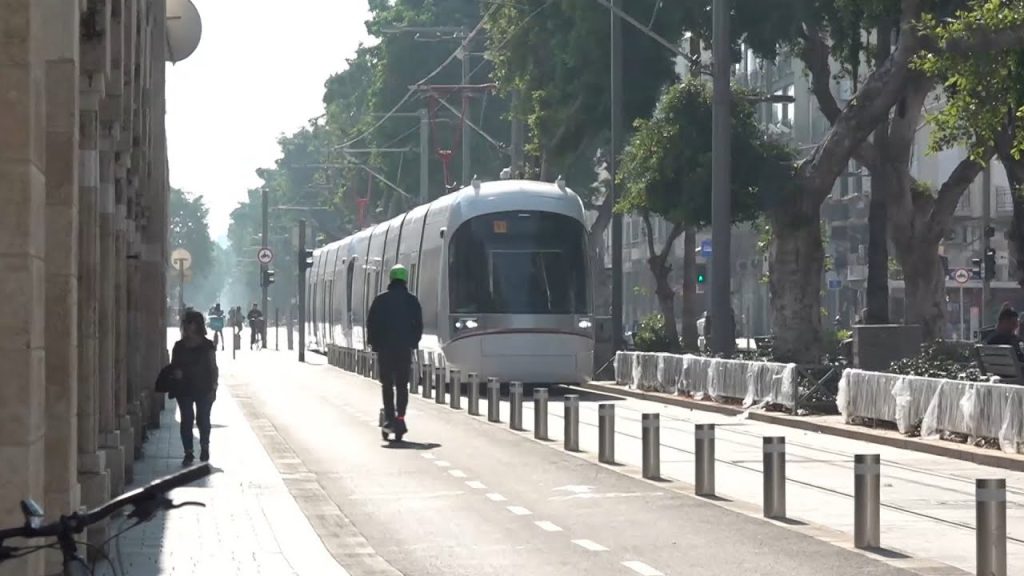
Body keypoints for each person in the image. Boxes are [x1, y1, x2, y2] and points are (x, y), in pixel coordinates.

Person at [366, 264, 423, 435]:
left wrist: (373, 344)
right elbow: (418, 325)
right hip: (404, 349)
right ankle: (401, 418)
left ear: (391, 279)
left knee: (387, 385)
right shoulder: (412, 301)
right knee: (402, 385)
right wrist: (413, 342)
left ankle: (390, 417)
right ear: (405, 280)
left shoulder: (380, 300)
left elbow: (371, 324)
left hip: (385, 349)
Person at [171, 310, 218, 465]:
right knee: (186, 419)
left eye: (188, 323)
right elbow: (174, 366)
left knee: (203, 419)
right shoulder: (178, 346)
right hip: (184, 388)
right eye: (185, 323)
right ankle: (188, 451)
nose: (185, 326)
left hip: (203, 387)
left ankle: (205, 446)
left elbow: (213, 367)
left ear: (196, 325)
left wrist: (214, 387)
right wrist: (176, 373)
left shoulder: (207, 345)